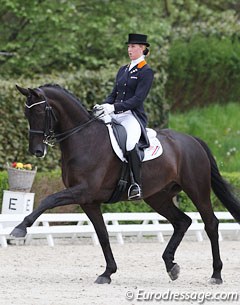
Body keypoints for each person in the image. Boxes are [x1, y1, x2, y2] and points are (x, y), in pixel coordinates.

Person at [94, 33, 154, 200]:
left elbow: (137, 99)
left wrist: (114, 107)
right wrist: (104, 106)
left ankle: (136, 184)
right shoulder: (123, 70)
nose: (130, 49)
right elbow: (114, 93)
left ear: (142, 49)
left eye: (133, 46)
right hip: (114, 113)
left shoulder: (146, 71)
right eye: (128, 46)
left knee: (129, 144)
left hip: (131, 116)